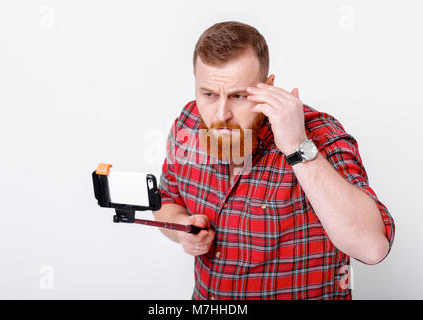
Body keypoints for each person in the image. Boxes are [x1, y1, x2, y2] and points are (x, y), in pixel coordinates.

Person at [153, 21, 395, 300]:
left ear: (267, 87)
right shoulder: (189, 123)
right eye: (208, 94)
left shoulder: (320, 135)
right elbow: (167, 202)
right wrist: (182, 229)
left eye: (238, 96)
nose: (221, 114)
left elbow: (372, 249)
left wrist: (297, 147)